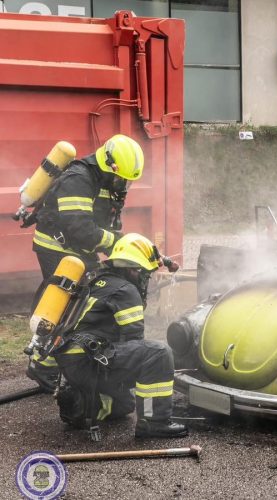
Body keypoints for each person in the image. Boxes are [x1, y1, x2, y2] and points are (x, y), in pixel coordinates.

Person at [28, 134, 144, 392]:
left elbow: (106, 225)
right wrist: (115, 242)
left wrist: (121, 245)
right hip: (56, 247)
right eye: (121, 178)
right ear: (109, 164)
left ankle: (60, 356)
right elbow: (79, 228)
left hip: (78, 248)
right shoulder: (79, 179)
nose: (123, 184)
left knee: (81, 299)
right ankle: (41, 363)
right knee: (64, 302)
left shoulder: (107, 181)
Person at [53, 233, 188, 439]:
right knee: (158, 354)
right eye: (144, 274)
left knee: (125, 405)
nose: (145, 279)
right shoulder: (126, 291)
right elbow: (135, 341)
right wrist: (165, 367)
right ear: (133, 270)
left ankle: (84, 406)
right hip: (87, 363)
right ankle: (154, 422)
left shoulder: (97, 279)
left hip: (72, 361)